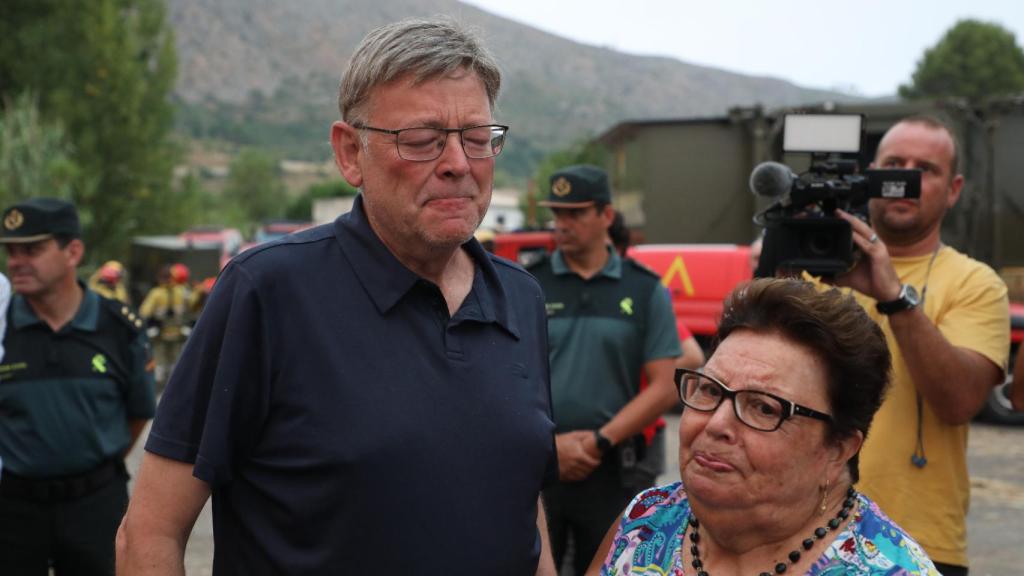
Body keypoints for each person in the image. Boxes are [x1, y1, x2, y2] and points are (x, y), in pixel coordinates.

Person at [116, 18, 558, 575]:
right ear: (350, 153)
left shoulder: (520, 299)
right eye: (422, 139)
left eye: (476, 137)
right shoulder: (268, 291)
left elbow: (524, 504)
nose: (458, 164)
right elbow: (150, 532)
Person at [591, 278, 939, 575]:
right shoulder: (645, 520)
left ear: (839, 449)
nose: (717, 424)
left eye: (763, 408)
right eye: (710, 390)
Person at [831, 116, 1009, 575]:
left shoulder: (976, 283)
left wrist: (894, 298)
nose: (903, 181)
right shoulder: (816, 272)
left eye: (924, 169)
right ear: (870, 175)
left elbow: (959, 401)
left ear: (953, 189)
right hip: (801, 533)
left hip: (918, 542)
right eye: (893, 165)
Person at [530, 165, 681, 575]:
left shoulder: (644, 288)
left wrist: (598, 442)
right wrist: (552, 446)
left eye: (576, 213)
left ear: (607, 216)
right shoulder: (527, 285)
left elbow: (666, 386)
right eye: (558, 214)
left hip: (615, 471)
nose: (563, 225)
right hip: (541, 471)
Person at [0, 197, 156, 576]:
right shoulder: (1, 326)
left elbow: (138, 413)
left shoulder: (118, 329)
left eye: (32, 249)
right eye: (10, 251)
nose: (16, 262)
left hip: (95, 504)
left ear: (73, 251)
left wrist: (92, 458)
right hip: (12, 507)